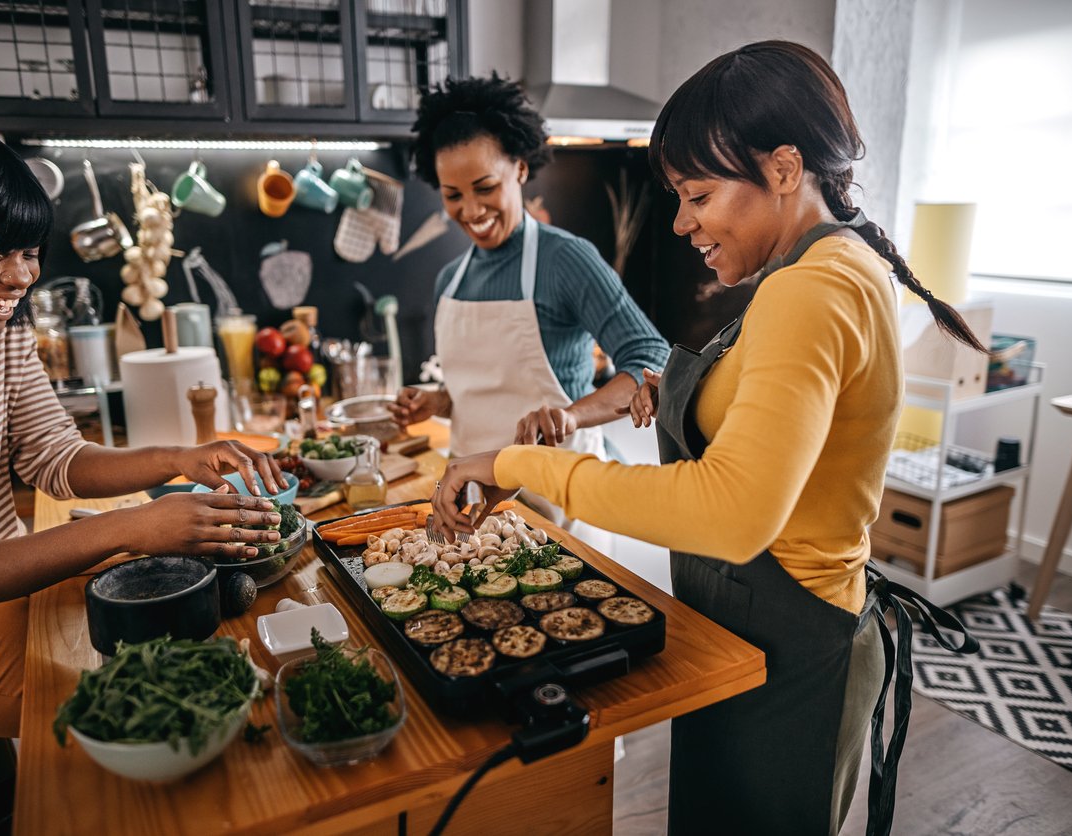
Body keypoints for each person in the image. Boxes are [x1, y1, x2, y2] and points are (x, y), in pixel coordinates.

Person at [431, 42, 978, 835]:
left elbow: (732, 511)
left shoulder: (811, 290)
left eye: (697, 194)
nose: (682, 222)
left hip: (790, 641)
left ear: (784, 169)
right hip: (749, 628)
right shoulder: (827, 272)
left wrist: (516, 461)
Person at [0, 121, 288, 739]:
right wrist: (131, 527)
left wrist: (180, 458)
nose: (19, 277)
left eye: (29, 251)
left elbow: (54, 459)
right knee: (127, 692)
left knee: (183, 629)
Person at [388, 73, 670, 532]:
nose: (471, 210)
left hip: (559, 511)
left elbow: (652, 358)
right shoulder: (449, 280)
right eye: (453, 195)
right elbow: (486, 394)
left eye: (485, 187)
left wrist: (571, 415)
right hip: (473, 509)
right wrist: (438, 401)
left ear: (519, 169)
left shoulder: (565, 260)